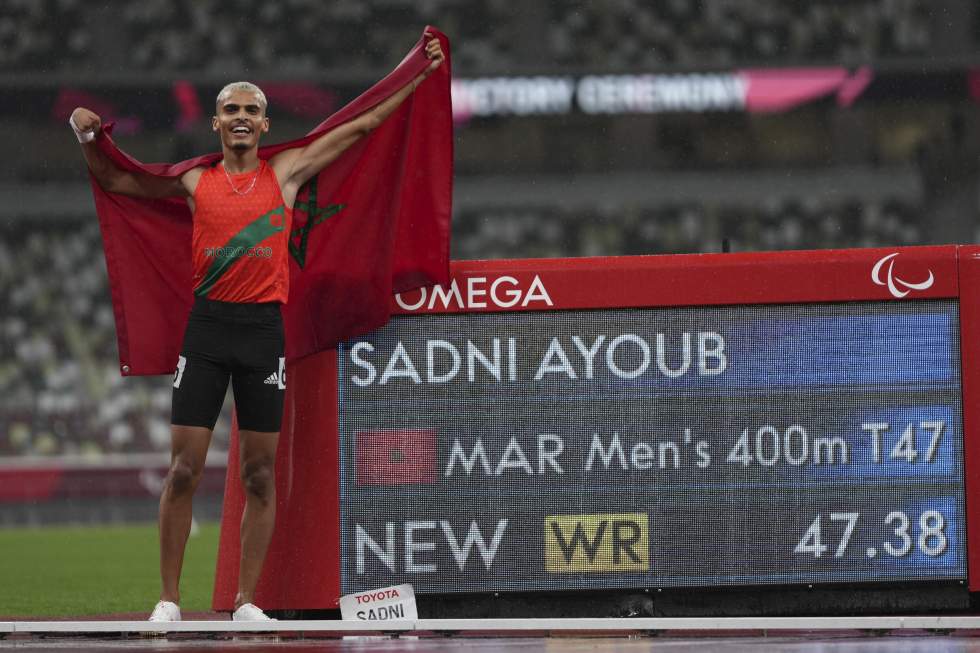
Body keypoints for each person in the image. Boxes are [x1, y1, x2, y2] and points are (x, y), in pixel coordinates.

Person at [69, 35, 445, 622]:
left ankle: (247, 602)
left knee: (259, 474)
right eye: (231, 110)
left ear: (265, 124)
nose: (241, 118)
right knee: (183, 469)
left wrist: (415, 78)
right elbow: (120, 183)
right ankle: (168, 599)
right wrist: (90, 137)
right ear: (216, 122)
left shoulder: (286, 174)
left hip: (263, 334)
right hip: (209, 331)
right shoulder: (196, 182)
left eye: (251, 111)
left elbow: (361, 126)